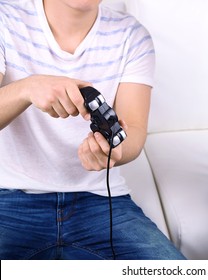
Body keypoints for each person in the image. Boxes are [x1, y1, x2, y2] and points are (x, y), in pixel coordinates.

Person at [0, 0, 185, 260]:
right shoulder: (5, 19)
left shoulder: (132, 36)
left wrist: (115, 152)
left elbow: (134, 131)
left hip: (99, 201)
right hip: (9, 197)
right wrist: (27, 88)